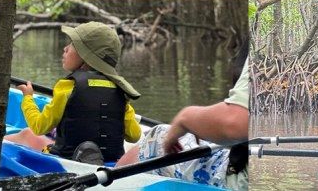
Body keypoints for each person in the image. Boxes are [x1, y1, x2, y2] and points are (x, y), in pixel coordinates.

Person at [118, 43, 249, 190]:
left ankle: (107, 186)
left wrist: (185, 119)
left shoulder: (264, 40)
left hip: (243, 180)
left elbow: (236, 123)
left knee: (158, 136)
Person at [16, 22, 142, 165]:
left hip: (66, 160)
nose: (65, 48)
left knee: (27, 134)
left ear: (87, 56)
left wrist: (27, 98)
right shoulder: (121, 92)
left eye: (72, 45)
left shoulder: (67, 86)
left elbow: (39, 127)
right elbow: (134, 136)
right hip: (111, 161)